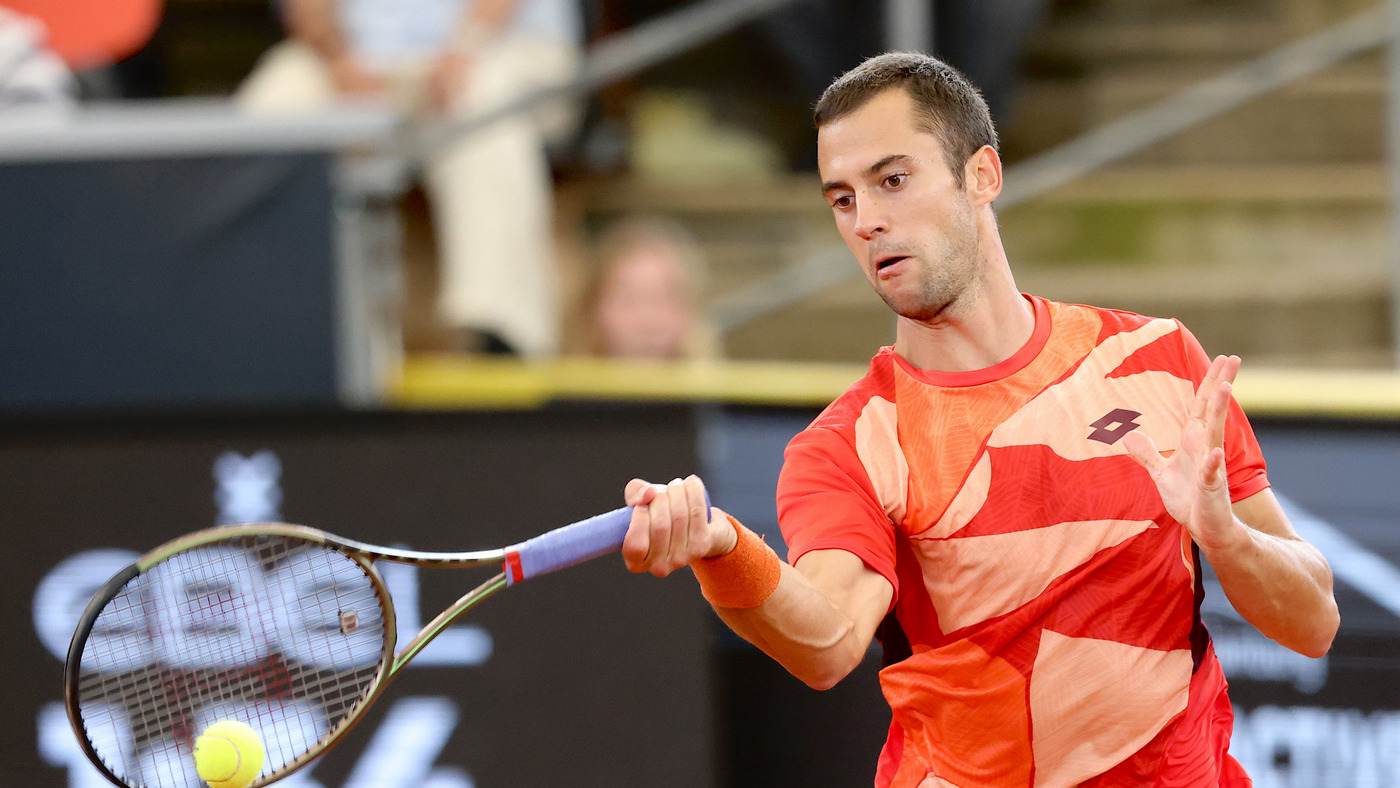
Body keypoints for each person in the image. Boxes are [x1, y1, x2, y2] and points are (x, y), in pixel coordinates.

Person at [618, 53, 1339, 787]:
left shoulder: (1159, 356)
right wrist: (722, 548)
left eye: (893, 180)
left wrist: (1226, 535)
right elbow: (828, 643)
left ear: (982, 175)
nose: (867, 222)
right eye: (842, 199)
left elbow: (1314, 622)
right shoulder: (849, 445)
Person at [237, 0, 582, 358]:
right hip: (354, 60)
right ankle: (249, 317)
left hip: (498, 45)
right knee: (275, 98)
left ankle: (498, 334)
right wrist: (338, 58)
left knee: (481, 98)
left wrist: (465, 48)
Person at [571, 217, 719, 360]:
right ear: (591, 306)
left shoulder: (716, 375)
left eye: (664, 300)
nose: (647, 321)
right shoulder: (564, 374)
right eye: (628, 300)